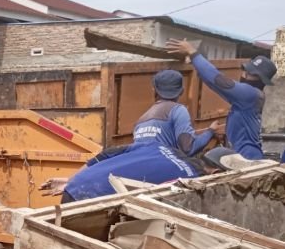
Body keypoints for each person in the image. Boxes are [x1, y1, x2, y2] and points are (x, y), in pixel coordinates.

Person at [166, 39, 277, 160]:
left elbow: (217, 80)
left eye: (250, 73)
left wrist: (193, 53)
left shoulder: (250, 94)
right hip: (246, 155)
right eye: (245, 70)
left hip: (247, 157)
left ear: (260, 79)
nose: (244, 74)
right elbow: (213, 83)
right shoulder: (253, 96)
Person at [40, 143, 255, 202]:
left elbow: (109, 153)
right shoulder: (191, 181)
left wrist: (73, 181)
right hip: (92, 202)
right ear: (216, 172)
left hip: (78, 186)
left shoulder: (162, 147)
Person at [133, 69, 222, 156]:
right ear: (182, 91)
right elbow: (188, 149)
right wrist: (210, 132)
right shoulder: (178, 110)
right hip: (165, 168)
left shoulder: (140, 121)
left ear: (154, 90)